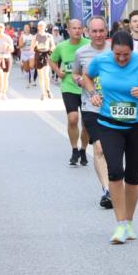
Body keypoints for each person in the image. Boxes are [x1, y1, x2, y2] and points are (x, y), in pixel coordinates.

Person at [80, 31, 138, 244]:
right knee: (115, 172)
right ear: (112, 50)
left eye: (126, 55)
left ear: (132, 51)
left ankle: (129, 222)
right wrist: (93, 93)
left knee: (133, 177)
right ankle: (119, 224)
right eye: (117, 54)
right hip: (110, 124)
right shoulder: (101, 61)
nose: (121, 58)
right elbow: (86, 77)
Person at [73, 16, 113, 208]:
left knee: (113, 149)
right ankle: (107, 191)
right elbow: (75, 73)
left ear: (107, 31)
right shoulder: (81, 53)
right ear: (88, 32)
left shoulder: (115, 51)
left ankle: (115, 181)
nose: (98, 35)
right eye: (94, 31)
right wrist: (78, 80)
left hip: (114, 107)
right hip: (91, 106)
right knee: (99, 147)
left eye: (101, 31)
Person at [50, 18, 91, 166]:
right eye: (74, 28)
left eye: (80, 28)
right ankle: (74, 149)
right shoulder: (62, 46)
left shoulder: (89, 44)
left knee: (86, 123)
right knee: (73, 119)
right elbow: (51, 60)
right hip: (69, 87)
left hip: (87, 88)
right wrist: (58, 71)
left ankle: (83, 150)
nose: (77, 30)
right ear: (68, 30)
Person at [33, 22, 54, 100]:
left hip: (46, 55)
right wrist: (35, 46)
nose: (41, 27)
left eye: (42, 26)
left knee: (46, 74)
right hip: (38, 56)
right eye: (39, 26)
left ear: (45, 27)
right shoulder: (35, 36)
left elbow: (53, 46)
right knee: (41, 75)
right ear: (38, 27)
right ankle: (43, 93)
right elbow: (32, 48)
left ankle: (48, 89)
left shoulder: (49, 36)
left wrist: (50, 51)